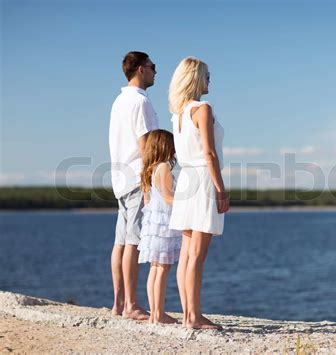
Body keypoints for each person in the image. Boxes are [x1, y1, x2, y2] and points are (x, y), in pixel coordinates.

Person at [168, 57, 230, 330]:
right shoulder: (202, 109)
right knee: (197, 255)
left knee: (186, 254)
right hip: (203, 180)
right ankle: (193, 316)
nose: (209, 81)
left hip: (185, 180)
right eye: (206, 76)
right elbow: (209, 153)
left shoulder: (178, 114)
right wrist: (221, 189)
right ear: (195, 79)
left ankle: (187, 314)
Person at [109, 51, 159, 320]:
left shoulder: (119, 101)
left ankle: (118, 304)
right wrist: (151, 179)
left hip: (120, 179)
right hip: (137, 177)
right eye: (153, 66)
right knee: (133, 241)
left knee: (121, 242)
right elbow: (146, 145)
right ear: (141, 69)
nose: (155, 71)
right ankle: (131, 305)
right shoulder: (140, 102)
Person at [137, 129, 181, 324]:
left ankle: (154, 313)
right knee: (163, 268)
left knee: (155, 268)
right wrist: (188, 203)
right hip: (164, 226)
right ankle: (159, 313)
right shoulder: (163, 167)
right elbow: (168, 197)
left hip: (152, 226)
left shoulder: (148, 170)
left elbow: (147, 202)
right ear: (165, 146)